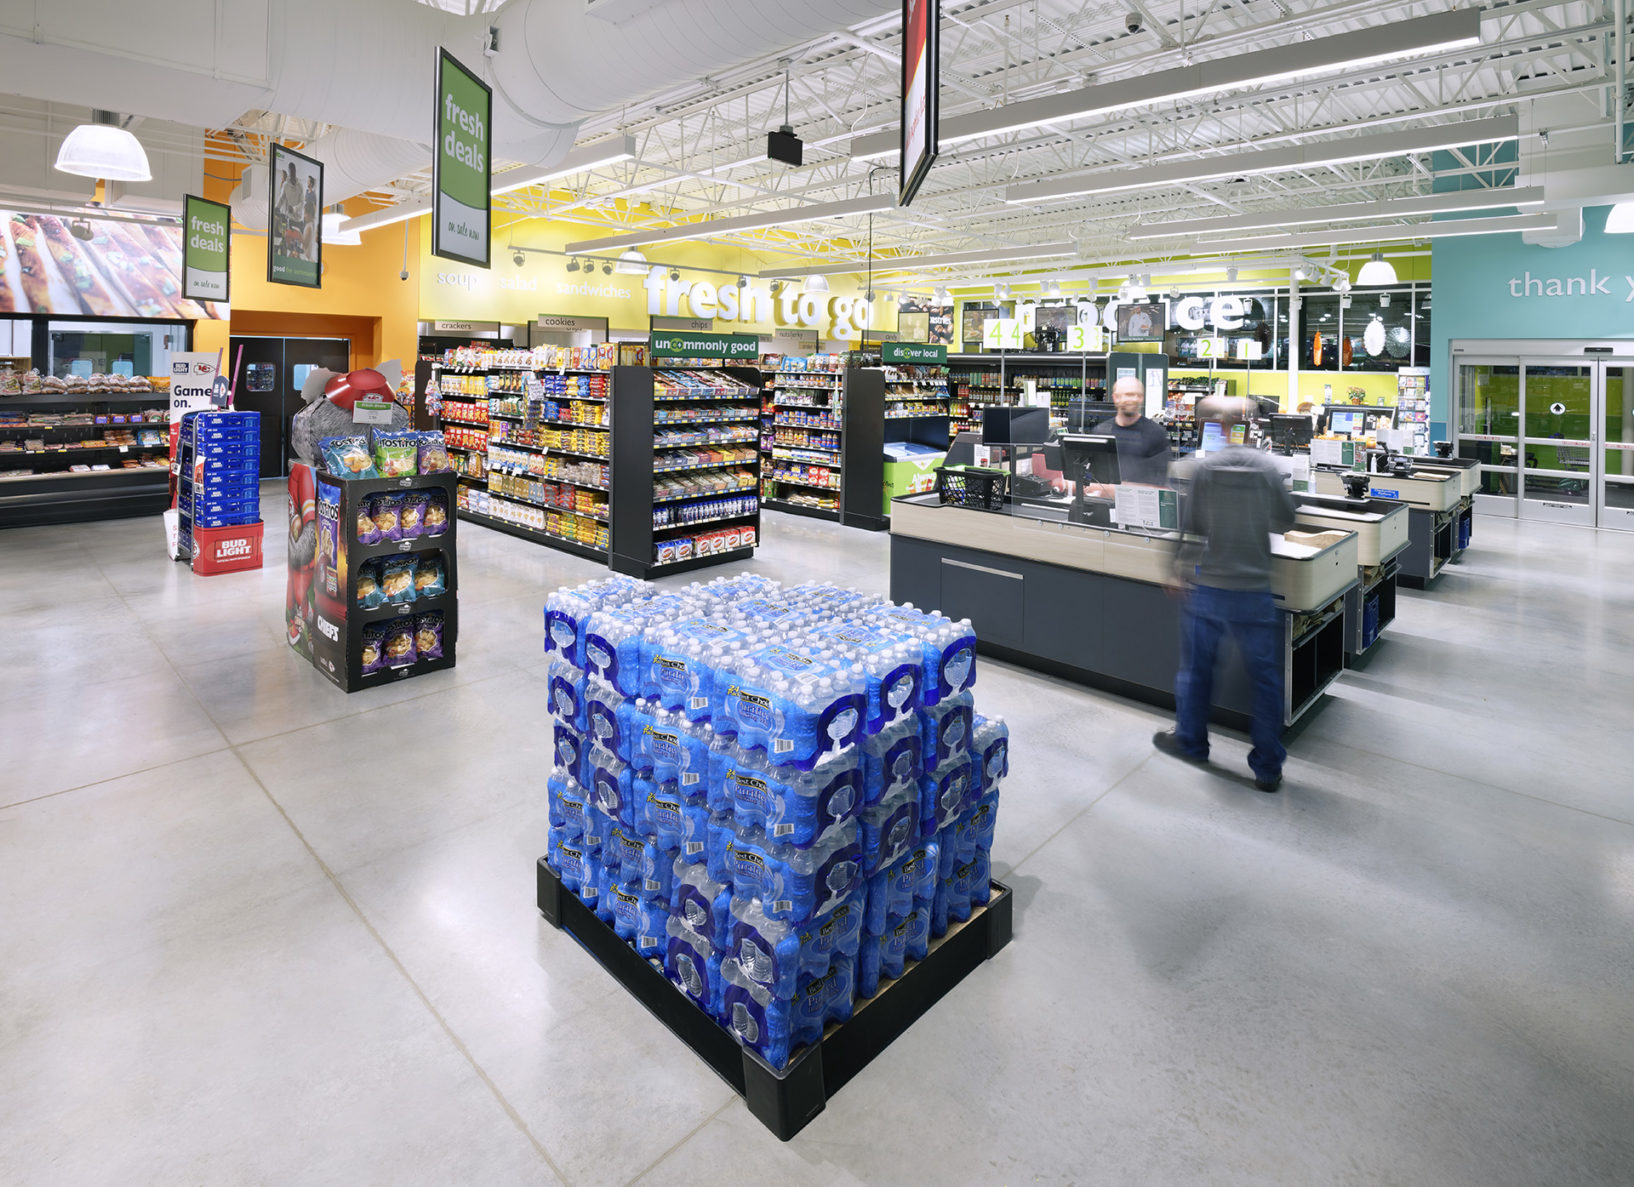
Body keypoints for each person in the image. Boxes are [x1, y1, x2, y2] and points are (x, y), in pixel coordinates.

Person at [1153, 394, 1296, 791]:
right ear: (1250, 426)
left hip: (1210, 587)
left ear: (1214, 427)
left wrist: (1174, 570)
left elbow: (1192, 527)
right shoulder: (1268, 469)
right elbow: (1286, 518)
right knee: (1265, 679)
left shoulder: (1206, 469)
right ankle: (1268, 766)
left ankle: (1193, 743)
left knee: (1197, 671)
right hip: (1254, 588)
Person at [1086, 376, 1171, 492]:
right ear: (1115, 398)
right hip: (1105, 504)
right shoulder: (1100, 433)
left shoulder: (1156, 434)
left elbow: (1159, 485)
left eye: (1139, 395)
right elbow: (1092, 476)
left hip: (1141, 505)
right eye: (1129, 394)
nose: (1135, 399)